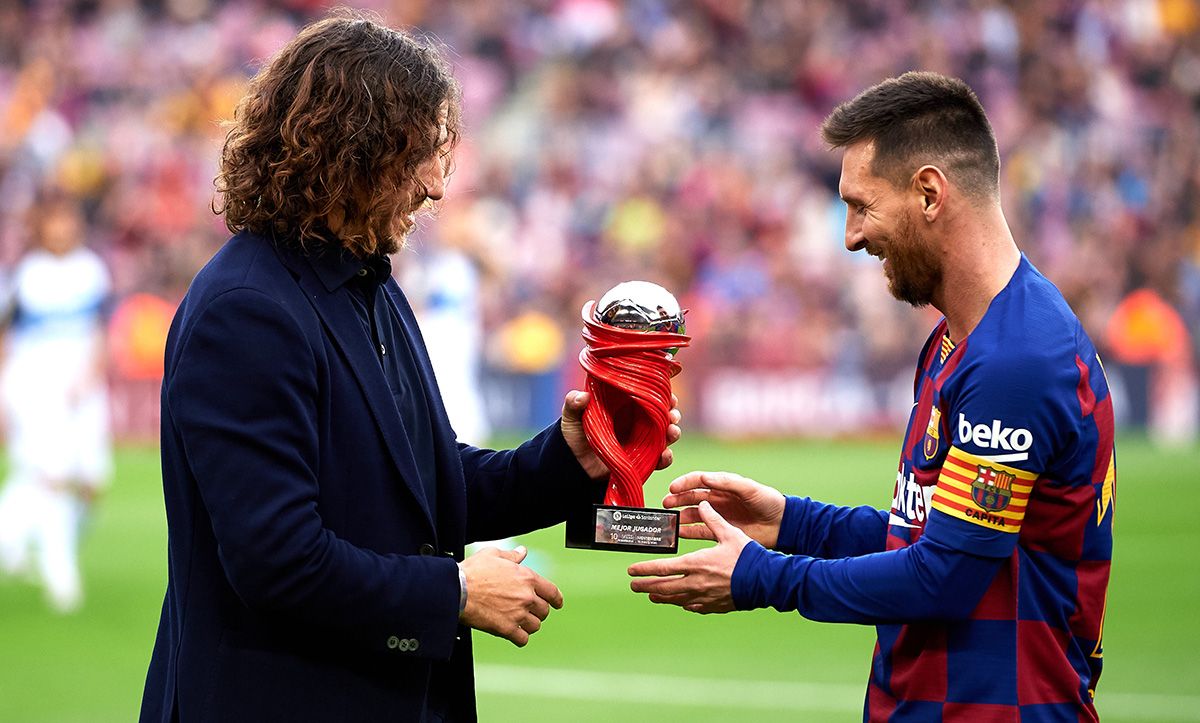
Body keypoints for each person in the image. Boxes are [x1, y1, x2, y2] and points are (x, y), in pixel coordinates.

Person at [138, 12, 678, 722]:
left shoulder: (365, 281)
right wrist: (452, 591)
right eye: (416, 154)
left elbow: (422, 486)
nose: (436, 186)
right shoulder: (247, 311)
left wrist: (569, 461)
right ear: (348, 152)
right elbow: (277, 560)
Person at [629, 71, 1115, 722]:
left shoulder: (1016, 360)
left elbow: (943, 576)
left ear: (929, 194)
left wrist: (760, 576)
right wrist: (791, 520)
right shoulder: (958, 339)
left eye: (861, 206)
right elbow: (926, 534)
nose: (852, 236)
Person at [0, 191, 113, 614]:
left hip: (83, 392)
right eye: (54, 221)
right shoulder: (27, 274)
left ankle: (9, 534)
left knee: (91, 481)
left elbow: (102, 327)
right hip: (38, 390)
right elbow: (7, 335)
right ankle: (59, 572)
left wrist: (92, 373)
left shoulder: (91, 270)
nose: (62, 228)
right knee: (53, 476)